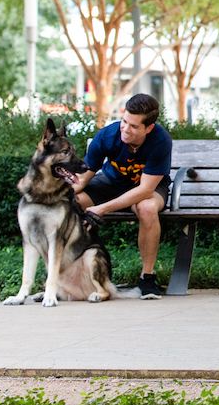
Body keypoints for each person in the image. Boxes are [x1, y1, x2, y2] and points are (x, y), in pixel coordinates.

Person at [71, 94, 173, 299]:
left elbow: (144, 190)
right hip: (111, 182)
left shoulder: (160, 141)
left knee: (146, 207)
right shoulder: (106, 136)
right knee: (75, 202)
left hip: (147, 187)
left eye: (134, 126)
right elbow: (81, 181)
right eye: (124, 121)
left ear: (148, 128)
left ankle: (147, 278)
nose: (126, 129)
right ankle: (78, 275)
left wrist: (102, 208)